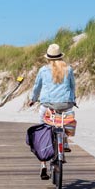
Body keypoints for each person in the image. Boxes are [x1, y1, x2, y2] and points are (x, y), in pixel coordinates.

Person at [28, 43, 76, 180]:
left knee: (43, 129)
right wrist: (73, 100)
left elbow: (37, 87)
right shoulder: (69, 69)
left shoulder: (43, 70)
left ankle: (43, 166)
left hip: (48, 105)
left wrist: (33, 99)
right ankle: (65, 141)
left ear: (48, 58)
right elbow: (72, 87)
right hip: (66, 104)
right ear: (60, 56)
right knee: (65, 120)